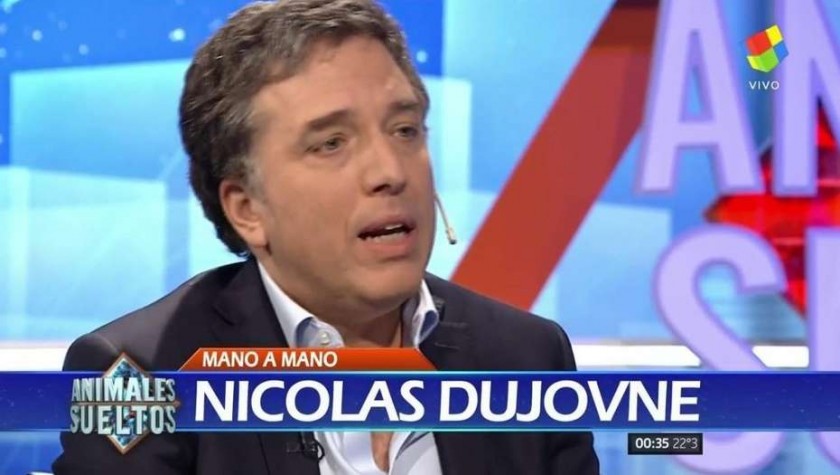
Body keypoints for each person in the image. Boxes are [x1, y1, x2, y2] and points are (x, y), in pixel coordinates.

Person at [52, 0, 599, 473]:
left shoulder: (527, 357)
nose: (390, 171)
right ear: (247, 209)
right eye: (331, 143)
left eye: (405, 130)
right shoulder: (138, 375)